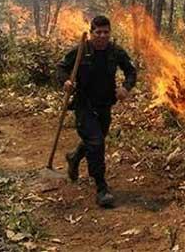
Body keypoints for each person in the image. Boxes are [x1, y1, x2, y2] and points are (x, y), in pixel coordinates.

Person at [56, 15, 137, 208]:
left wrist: (125, 88)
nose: (102, 36)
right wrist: (65, 81)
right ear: (91, 33)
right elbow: (61, 68)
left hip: (104, 105)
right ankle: (101, 188)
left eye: (106, 32)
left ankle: (74, 157)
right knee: (96, 142)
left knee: (97, 138)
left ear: (110, 33)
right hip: (84, 105)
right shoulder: (81, 51)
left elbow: (131, 72)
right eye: (98, 32)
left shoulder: (115, 52)